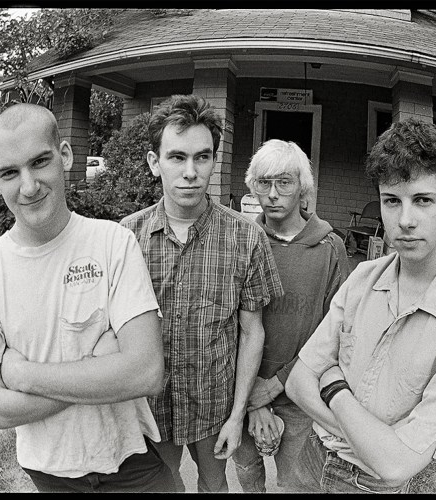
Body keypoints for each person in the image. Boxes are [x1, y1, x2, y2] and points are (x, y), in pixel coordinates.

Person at [0, 103, 174, 493]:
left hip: (133, 463)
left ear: (65, 156)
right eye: (10, 172)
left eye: (39, 162)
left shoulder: (113, 243)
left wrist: (24, 375)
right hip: (50, 473)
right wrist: (100, 368)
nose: (28, 186)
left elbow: (145, 372)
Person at [285, 118, 436, 493]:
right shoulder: (363, 278)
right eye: (391, 201)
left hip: (370, 486)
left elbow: (397, 464)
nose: (404, 220)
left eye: (422, 200)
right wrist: (373, 439)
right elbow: (299, 383)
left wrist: (334, 385)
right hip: (310, 460)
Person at [120, 94, 284, 493]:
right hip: (149, 411)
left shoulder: (246, 237)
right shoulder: (126, 238)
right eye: (177, 157)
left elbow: (252, 332)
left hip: (214, 410)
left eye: (202, 157)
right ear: (154, 162)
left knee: (214, 487)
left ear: (215, 159)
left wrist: (237, 414)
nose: (191, 172)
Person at [232, 139, 351, 492]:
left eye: (284, 183)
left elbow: (335, 330)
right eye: (263, 183)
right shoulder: (242, 241)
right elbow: (230, 325)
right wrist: (253, 400)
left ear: (303, 188)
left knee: (298, 485)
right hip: (243, 390)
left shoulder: (330, 248)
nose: (273, 194)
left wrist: (277, 384)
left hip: (302, 397)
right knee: (248, 476)